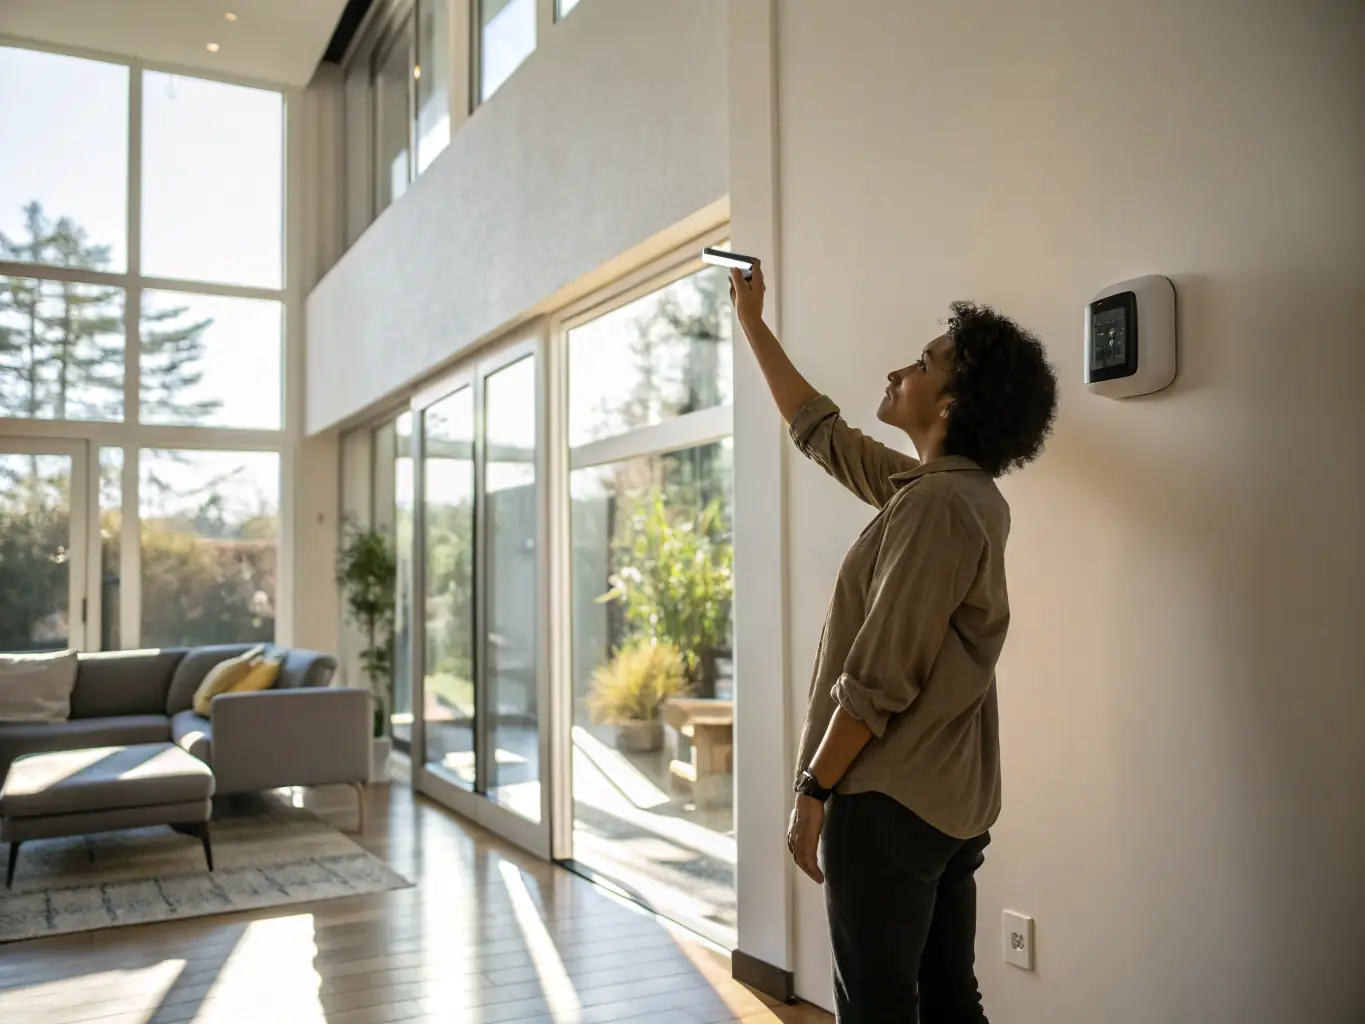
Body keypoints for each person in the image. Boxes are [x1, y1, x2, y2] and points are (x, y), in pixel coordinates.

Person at [729, 261, 1059, 1022]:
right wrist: (752, 324)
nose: (897, 370)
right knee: (948, 1000)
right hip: (948, 803)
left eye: (921, 363)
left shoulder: (934, 507)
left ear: (950, 401)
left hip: (887, 803)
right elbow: (821, 434)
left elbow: (878, 679)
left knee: (878, 1008)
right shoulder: (957, 492)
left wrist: (812, 791)